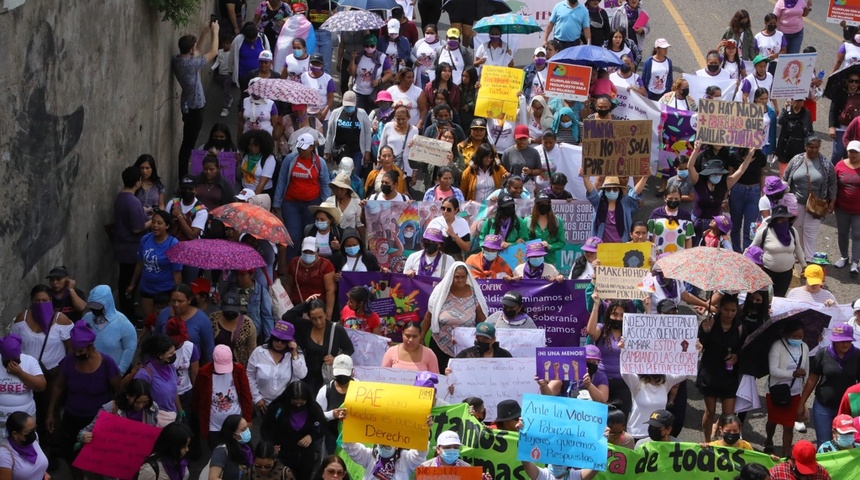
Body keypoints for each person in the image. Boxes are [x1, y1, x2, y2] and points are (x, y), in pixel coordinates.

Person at [47, 321, 121, 469]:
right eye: (75, 350)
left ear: (90, 346)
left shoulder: (107, 363)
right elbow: (58, 385)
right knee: (72, 457)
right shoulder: (69, 361)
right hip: (72, 417)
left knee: (97, 459)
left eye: (81, 351)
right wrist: (51, 413)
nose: (77, 354)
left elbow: (118, 390)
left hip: (98, 421)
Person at [798, 323, 860, 446]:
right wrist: (801, 403)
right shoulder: (822, 354)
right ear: (834, 340)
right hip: (823, 406)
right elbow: (812, 379)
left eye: (848, 340)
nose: (845, 344)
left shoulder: (858, 355)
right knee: (824, 443)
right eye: (841, 341)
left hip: (848, 409)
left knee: (846, 444)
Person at [173, 22, 220, 178]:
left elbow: (197, 51)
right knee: (188, 144)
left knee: (187, 141)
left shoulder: (178, 60)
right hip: (195, 108)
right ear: (190, 49)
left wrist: (204, 33)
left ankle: (183, 173)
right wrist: (215, 32)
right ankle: (183, 177)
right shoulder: (191, 65)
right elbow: (213, 51)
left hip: (187, 105)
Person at [422, 263, 488, 371]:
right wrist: (421, 337)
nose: (460, 280)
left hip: (466, 346)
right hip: (440, 345)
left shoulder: (474, 294)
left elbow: (482, 320)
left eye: (463, 277)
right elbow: (429, 316)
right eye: (457, 277)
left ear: (467, 277)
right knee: (439, 378)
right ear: (451, 276)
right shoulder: (442, 293)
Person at [687, 142, 756, 244]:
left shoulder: (724, 184)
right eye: (714, 173)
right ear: (708, 173)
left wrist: (750, 155)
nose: (717, 175)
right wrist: (696, 150)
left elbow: (740, 171)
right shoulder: (698, 181)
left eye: (719, 173)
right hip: (696, 224)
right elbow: (690, 167)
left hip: (715, 227)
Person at [282, 297, 354, 392]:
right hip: (308, 377)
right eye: (314, 319)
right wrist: (306, 303)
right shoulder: (306, 326)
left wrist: (336, 359)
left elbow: (349, 349)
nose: (318, 322)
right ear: (308, 317)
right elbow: (287, 317)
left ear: (326, 314)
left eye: (320, 317)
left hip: (327, 378)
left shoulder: (336, 329)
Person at [782, 136, 837, 263]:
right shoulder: (796, 160)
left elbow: (833, 183)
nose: (814, 150)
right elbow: (785, 177)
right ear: (805, 147)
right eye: (810, 147)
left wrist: (832, 201)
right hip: (795, 203)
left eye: (816, 147)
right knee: (797, 230)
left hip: (816, 205)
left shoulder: (826, 164)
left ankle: (809, 260)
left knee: (810, 232)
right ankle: (798, 256)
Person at [697, 295, 744, 443]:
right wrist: (704, 331)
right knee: (710, 412)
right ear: (719, 309)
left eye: (733, 310)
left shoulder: (740, 327)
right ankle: (707, 442)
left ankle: (725, 444)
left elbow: (744, 349)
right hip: (710, 373)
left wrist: (736, 356)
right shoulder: (709, 323)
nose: (729, 314)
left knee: (728, 416)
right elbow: (699, 345)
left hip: (729, 376)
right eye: (726, 310)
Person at [261, 381, 327, 480]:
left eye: (302, 403)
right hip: (282, 455)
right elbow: (265, 428)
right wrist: (271, 445)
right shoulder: (277, 408)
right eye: (295, 403)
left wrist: (311, 436)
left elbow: (322, 427)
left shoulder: (313, 409)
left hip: (305, 456)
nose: (298, 406)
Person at [191, 345, 253, 447]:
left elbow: (246, 395)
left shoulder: (239, 370)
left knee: (238, 451)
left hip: (236, 425)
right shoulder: (203, 373)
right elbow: (197, 398)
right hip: (214, 427)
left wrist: (248, 418)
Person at [764, 320, 809, 455]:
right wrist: (792, 374)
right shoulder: (777, 346)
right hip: (776, 391)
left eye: (800, 337)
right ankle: (769, 439)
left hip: (794, 393)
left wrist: (803, 392)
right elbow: (773, 371)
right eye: (795, 336)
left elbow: (806, 369)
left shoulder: (804, 347)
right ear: (787, 335)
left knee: (789, 425)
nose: (798, 339)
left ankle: (786, 454)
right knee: (773, 420)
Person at [127, 210, 183, 320]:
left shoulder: (173, 244)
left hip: (165, 290)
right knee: (150, 321)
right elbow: (140, 263)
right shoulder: (145, 239)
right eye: (153, 222)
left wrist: (177, 294)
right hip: (147, 288)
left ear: (167, 226)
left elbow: (177, 272)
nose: (155, 226)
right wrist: (132, 284)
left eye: (159, 223)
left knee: (164, 322)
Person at [247, 319, 306, 417]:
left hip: (286, 405)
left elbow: (302, 374)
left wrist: (294, 353)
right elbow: (249, 376)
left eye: (283, 341)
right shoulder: (259, 352)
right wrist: (257, 398)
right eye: (276, 338)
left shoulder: (296, 354)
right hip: (263, 405)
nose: (279, 343)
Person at [114, 166, 150, 319]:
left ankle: (126, 312)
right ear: (138, 181)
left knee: (124, 280)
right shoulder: (132, 201)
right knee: (129, 284)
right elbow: (138, 228)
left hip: (121, 246)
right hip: (131, 249)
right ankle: (129, 315)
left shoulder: (120, 198)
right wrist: (153, 221)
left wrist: (144, 212)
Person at [78, 379, 159, 446]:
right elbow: (84, 432)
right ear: (128, 396)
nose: (141, 406)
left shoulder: (152, 408)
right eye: (137, 402)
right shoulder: (110, 408)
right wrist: (84, 437)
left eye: (145, 402)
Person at [586, 293, 630, 414]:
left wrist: (647, 308)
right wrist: (596, 304)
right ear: (609, 314)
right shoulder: (602, 329)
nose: (618, 318)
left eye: (622, 315)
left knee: (620, 419)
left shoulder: (630, 333)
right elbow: (590, 331)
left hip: (623, 382)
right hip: (601, 380)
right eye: (615, 314)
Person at [83, 285, 138, 374]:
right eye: (91, 306)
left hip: (112, 374)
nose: (94, 309)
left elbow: (130, 348)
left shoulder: (123, 323)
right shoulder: (87, 318)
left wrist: (120, 372)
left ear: (107, 303)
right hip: (90, 371)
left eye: (98, 306)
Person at [155, 284, 216, 364]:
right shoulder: (164, 314)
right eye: (173, 301)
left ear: (189, 300)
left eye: (180, 301)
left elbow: (209, 347)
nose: (176, 304)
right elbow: (156, 338)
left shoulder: (202, 319)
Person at [130, 334, 180, 426]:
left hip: (172, 417)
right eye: (170, 353)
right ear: (160, 355)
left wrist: (180, 410)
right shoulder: (144, 374)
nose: (174, 355)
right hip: (155, 420)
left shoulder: (170, 367)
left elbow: (174, 391)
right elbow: (137, 402)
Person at [341, 427, 427, 480]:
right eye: (381, 445)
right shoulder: (370, 455)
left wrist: (424, 430)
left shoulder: (406, 459)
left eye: (387, 446)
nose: (383, 448)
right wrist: (347, 426)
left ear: (397, 446)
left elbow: (420, 454)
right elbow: (351, 448)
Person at [583, 175, 648, 243]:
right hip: (601, 245)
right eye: (608, 189)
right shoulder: (599, 202)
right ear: (604, 191)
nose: (612, 191)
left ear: (619, 191)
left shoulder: (626, 203)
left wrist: (645, 177)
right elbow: (591, 191)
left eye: (615, 189)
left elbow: (635, 192)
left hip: (621, 245)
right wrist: (585, 177)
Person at [284, 237, 336, 321]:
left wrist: (328, 314)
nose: (308, 254)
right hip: (297, 307)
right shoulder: (294, 263)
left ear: (317, 252)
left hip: (317, 309)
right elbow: (288, 286)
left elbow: (330, 291)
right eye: (305, 252)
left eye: (311, 252)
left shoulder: (326, 265)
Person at [0, 334, 45, 428]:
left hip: (25, 420)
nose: (12, 363)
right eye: (7, 361)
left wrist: (20, 374)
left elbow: (41, 386)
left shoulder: (29, 361)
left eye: (16, 360)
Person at [324, 92, 373, 176]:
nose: (349, 108)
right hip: (340, 150)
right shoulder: (336, 113)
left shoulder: (362, 113)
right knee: (342, 175)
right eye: (347, 106)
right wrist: (327, 150)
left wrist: (367, 151)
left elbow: (368, 133)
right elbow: (330, 133)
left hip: (357, 151)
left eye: (351, 106)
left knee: (355, 174)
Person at [833, 140, 860, 274]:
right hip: (841, 207)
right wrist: (831, 203)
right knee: (842, 233)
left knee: (857, 235)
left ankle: (855, 262)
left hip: (858, 210)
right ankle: (844, 256)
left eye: (856, 152)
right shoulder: (840, 165)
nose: (853, 154)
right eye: (851, 152)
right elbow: (833, 185)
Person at [0, 411, 49, 480]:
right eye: (29, 431)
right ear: (15, 434)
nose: (33, 433)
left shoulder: (34, 438)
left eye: (34, 429)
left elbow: (39, 463)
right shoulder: (4, 454)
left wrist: (43, 473)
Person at [647, 186, 694, 256]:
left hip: (678, 258)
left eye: (676, 199)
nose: (673, 201)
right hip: (658, 257)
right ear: (665, 198)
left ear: (680, 199)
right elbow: (648, 237)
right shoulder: (655, 214)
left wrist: (688, 256)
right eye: (670, 198)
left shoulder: (686, 216)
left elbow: (688, 239)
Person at [207, 414, 254, 479]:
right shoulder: (221, 451)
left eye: (247, 428)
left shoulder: (246, 447)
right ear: (233, 434)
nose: (247, 431)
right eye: (243, 430)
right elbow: (213, 478)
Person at [777, 98, 814, 176]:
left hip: (798, 148)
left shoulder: (806, 113)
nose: (798, 103)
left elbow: (809, 131)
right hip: (785, 148)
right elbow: (780, 121)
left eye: (801, 101)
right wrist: (785, 109)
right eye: (796, 100)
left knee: (796, 174)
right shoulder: (787, 110)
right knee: (784, 174)